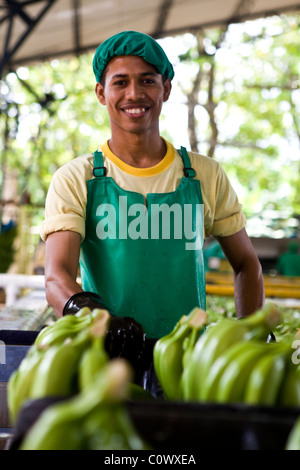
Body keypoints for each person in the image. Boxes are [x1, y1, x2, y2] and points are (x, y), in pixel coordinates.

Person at [40, 30, 264, 350]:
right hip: (105, 355)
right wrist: (95, 316)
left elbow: (246, 264)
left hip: (186, 358)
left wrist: (251, 330)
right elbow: (56, 276)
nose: (134, 93)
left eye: (147, 81)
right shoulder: (77, 178)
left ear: (166, 89)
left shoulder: (204, 174)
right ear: (102, 94)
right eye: (120, 82)